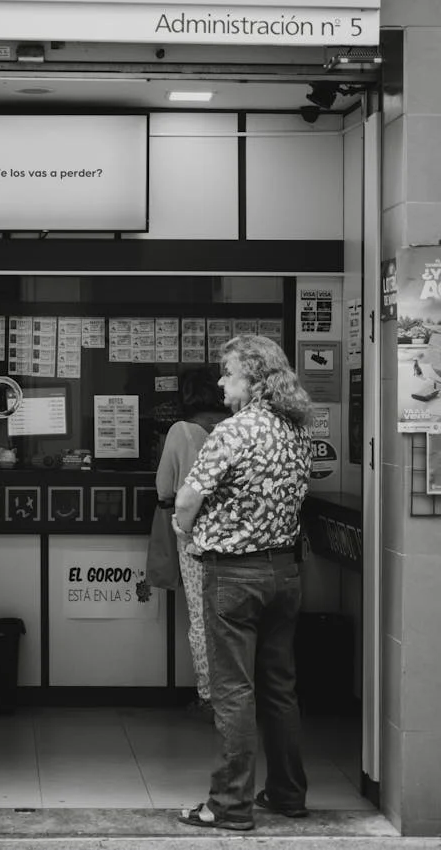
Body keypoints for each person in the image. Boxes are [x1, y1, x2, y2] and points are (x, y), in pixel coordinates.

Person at [173, 334, 313, 832]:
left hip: (233, 577)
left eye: (227, 373)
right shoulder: (296, 430)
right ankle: (287, 794)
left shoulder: (233, 431)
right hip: (285, 574)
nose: (219, 381)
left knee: (234, 691)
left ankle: (229, 806)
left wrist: (184, 530)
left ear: (253, 380)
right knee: (280, 689)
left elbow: (187, 499)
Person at [153, 368, 227, 718]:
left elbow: (165, 488)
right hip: (239, 539)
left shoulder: (181, 431)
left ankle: (209, 696)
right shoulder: (237, 427)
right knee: (234, 619)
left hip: (195, 536)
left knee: (201, 617)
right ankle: (241, 695)